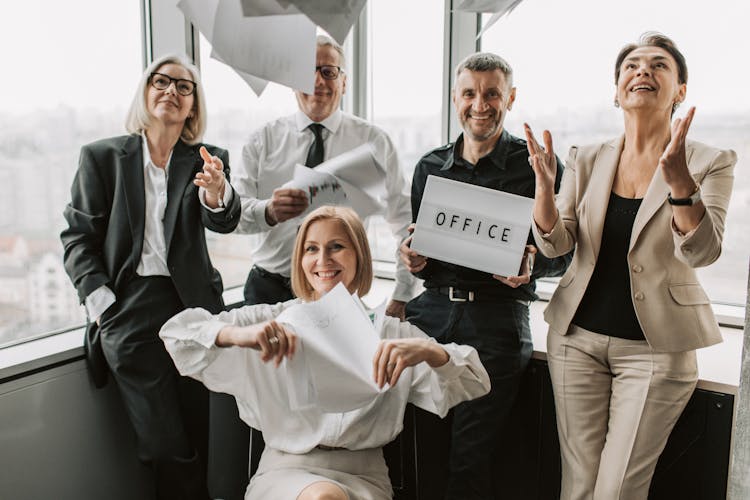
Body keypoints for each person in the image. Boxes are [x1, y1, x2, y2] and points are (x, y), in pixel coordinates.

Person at [525, 32, 736, 500]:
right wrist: (544, 189)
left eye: (659, 65)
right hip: (575, 341)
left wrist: (679, 180)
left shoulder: (710, 161)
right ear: (617, 88)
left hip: (655, 352)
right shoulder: (588, 157)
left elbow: (703, 251)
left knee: (617, 490)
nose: (643, 71)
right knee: (577, 485)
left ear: (680, 90)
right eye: (632, 65)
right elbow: (556, 244)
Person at [159, 206, 491, 500]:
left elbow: (476, 381)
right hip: (283, 474)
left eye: (337, 247)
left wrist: (429, 351)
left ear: (359, 255)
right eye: (311, 249)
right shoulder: (268, 321)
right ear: (299, 260)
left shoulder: (391, 334)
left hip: (364, 479)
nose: (323, 261)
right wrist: (237, 334)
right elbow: (176, 335)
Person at [214, 34, 416, 498]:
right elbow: (233, 216)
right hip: (270, 289)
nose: (318, 81)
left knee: (340, 399)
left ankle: (335, 478)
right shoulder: (264, 140)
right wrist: (267, 209)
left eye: (329, 71)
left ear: (344, 81)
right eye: (309, 70)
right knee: (270, 405)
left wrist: (403, 293)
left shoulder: (372, 141)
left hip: (340, 295)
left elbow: (402, 222)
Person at [60, 54, 241, 499]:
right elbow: (77, 237)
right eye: (161, 82)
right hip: (130, 310)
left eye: (184, 87)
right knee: (163, 443)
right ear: (146, 93)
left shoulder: (208, 158)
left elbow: (223, 220)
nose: (171, 92)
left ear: (194, 106)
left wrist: (218, 192)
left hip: (194, 310)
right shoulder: (103, 157)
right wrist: (106, 309)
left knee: (195, 432)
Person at [399, 52, 571, 500]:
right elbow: (424, 250)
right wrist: (413, 258)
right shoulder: (429, 166)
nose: (481, 104)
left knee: (469, 459)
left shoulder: (537, 168)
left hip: (497, 322)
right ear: (455, 99)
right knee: (420, 447)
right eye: (470, 94)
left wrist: (533, 266)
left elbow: (567, 254)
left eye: (492, 93)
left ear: (510, 98)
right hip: (431, 314)